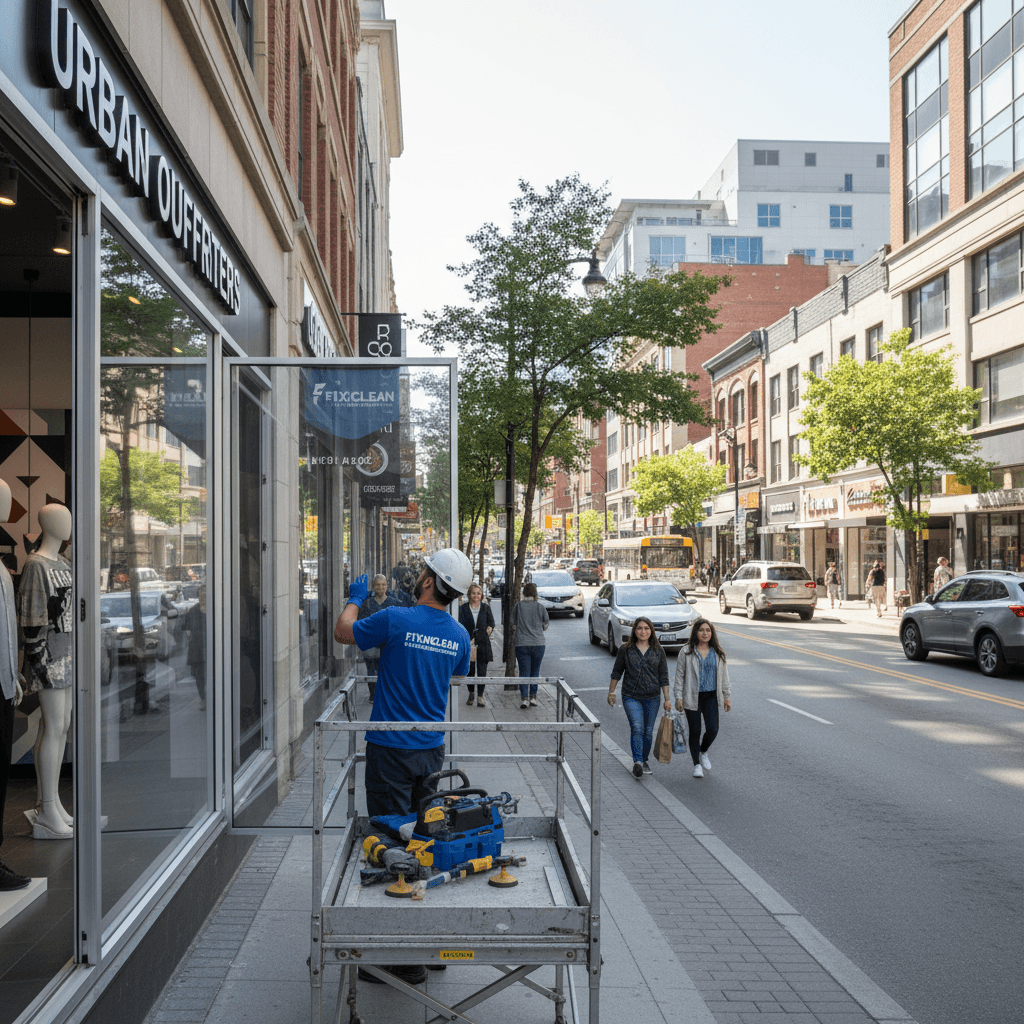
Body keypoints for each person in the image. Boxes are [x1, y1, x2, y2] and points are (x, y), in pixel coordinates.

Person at [333, 548, 472, 987]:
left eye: (423, 571)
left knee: (391, 839)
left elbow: (343, 632)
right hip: (430, 750)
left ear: (430, 582)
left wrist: (355, 598)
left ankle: (401, 958)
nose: (417, 576)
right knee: (426, 839)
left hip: (390, 748)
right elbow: (459, 675)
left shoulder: (395, 619)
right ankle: (429, 945)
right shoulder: (459, 635)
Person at [606, 617, 670, 778]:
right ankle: (638, 762)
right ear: (635, 630)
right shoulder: (625, 650)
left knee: (648, 732)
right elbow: (617, 672)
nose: (643, 631)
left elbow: (664, 676)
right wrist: (611, 692)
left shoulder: (658, 650)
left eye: (647, 628)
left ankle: (644, 759)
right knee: (637, 728)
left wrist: (667, 698)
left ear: (651, 631)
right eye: (640, 628)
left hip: (653, 698)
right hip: (631, 696)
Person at [674, 618, 732, 779]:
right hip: (692, 696)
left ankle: (703, 751)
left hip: (711, 696)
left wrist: (727, 697)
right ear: (696, 632)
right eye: (701, 630)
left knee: (713, 729)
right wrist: (678, 697)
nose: (705, 633)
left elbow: (724, 678)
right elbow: (679, 677)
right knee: (695, 731)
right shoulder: (686, 652)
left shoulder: (718, 653)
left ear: (711, 633)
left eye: (708, 630)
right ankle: (696, 765)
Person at [357, 574, 399, 700]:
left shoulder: (394, 603)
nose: (381, 587)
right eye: (378, 585)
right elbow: (361, 622)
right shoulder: (367, 604)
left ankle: (386, 695)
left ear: (387, 586)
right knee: (371, 670)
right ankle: (373, 695)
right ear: (373, 586)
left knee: (387, 670)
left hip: (388, 644)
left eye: (383, 585)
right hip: (371, 644)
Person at [511, 581, 549, 709]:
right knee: (535, 672)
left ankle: (524, 699)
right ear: (535, 594)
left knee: (523, 672)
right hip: (538, 643)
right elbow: (545, 625)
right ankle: (533, 697)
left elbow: (513, 624)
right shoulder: (540, 607)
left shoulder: (518, 606)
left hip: (522, 643)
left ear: (524, 593)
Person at [457, 583, 494, 707]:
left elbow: (491, 623)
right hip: (469, 644)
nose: (476, 595)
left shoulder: (485, 608)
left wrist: (487, 633)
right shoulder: (463, 609)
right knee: (470, 670)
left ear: (481, 594)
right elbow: (459, 625)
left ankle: (480, 696)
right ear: (469, 594)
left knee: (482, 671)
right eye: (474, 593)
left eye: (478, 593)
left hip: (483, 644)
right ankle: (471, 693)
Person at [182, 583, 207, 711]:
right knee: (199, 676)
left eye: (206, 595)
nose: (203, 597)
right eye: (201, 595)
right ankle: (203, 699)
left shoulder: (217, 611)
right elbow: (187, 631)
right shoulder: (193, 611)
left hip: (212, 649)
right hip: (197, 650)